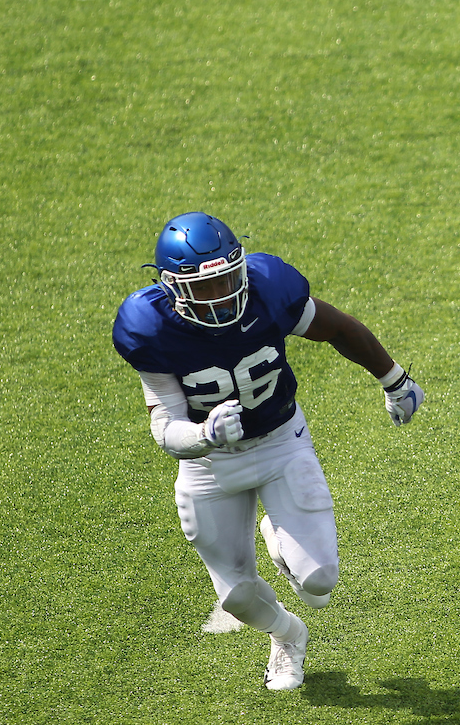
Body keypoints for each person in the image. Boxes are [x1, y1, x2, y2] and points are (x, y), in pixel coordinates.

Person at [112, 211, 425, 689]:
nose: (221, 295)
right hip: (210, 464)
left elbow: (339, 328)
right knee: (237, 596)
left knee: (319, 582)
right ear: (172, 287)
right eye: (204, 287)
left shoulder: (269, 290)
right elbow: (165, 426)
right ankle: (287, 637)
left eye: (227, 278)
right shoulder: (149, 326)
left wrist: (393, 379)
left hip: (280, 439)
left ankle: (280, 541)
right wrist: (204, 436)